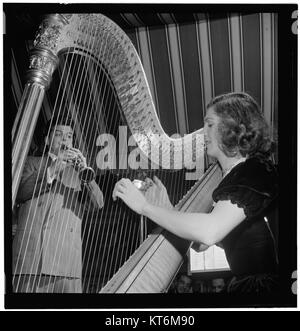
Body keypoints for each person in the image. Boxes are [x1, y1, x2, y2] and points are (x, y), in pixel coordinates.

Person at [113, 92, 279, 294]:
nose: (202, 133)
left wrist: (144, 207)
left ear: (232, 128)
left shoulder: (255, 171)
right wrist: (165, 208)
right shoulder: (232, 177)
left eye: (209, 124)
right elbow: (201, 245)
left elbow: (209, 232)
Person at [12, 115, 104, 293]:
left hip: (67, 261)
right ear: (48, 140)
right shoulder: (31, 162)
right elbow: (20, 192)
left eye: (69, 136)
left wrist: (84, 174)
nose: (65, 139)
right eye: (59, 134)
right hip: (31, 259)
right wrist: (52, 170)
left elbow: (97, 204)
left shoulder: (80, 172)